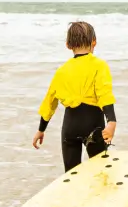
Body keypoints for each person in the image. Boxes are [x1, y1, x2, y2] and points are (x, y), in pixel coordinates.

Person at [33, 22, 118, 171]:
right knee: (101, 170)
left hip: (70, 127)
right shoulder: (99, 65)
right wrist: (111, 121)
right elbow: (104, 94)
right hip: (93, 124)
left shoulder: (61, 71)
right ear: (94, 42)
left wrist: (41, 130)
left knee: (71, 173)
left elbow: (49, 102)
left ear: (68, 45)